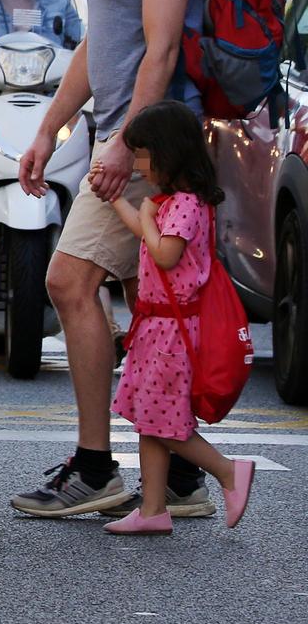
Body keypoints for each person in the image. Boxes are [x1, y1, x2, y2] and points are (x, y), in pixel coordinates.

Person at [16, 0, 214, 519]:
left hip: (151, 146)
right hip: (122, 135)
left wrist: (124, 147)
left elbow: (158, 54)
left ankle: (98, 466)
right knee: (147, 305)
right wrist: (50, 128)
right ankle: (181, 478)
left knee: (69, 283)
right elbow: (105, 42)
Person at [102, 102, 256, 535]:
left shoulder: (185, 204)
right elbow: (145, 232)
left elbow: (166, 254)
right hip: (155, 326)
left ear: (167, 153)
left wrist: (148, 216)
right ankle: (153, 509)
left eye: (142, 154)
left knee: (164, 421)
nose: (137, 164)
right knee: (151, 418)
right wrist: (117, 200)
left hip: (172, 331)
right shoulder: (172, 202)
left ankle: (228, 471)